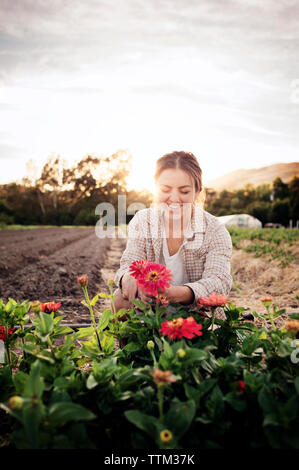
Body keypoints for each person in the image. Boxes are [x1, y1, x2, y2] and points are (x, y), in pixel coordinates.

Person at [113, 151, 233, 315]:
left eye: (184, 191)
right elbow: (128, 263)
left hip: (196, 314)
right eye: (165, 189)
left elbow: (220, 282)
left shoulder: (215, 230)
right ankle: (137, 339)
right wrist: (127, 278)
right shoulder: (143, 221)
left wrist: (173, 293)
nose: (174, 198)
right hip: (151, 312)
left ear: (196, 192)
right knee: (119, 299)